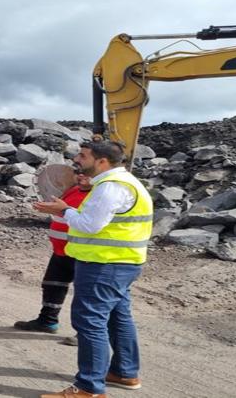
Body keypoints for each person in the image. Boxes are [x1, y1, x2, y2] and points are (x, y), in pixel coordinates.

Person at [34, 140, 153, 398]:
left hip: (104, 265)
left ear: (102, 161)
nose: (77, 160)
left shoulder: (110, 187)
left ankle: (89, 389)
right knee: (118, 317)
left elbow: (89, 225)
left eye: (83, 156)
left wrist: (65, 210)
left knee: (89, 321)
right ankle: (124, 372)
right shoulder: (122, 182)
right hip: (120, 263)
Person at [13, 172, 91, 334]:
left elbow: (88, 221)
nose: (81, 176)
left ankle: (86, 333)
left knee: (87, 292)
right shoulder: (73, 190)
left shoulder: (97, 196)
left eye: (88, 174)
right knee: (52, 285)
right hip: (61, 250)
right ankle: (47, 321)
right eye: (79, 172)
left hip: (83, 252)